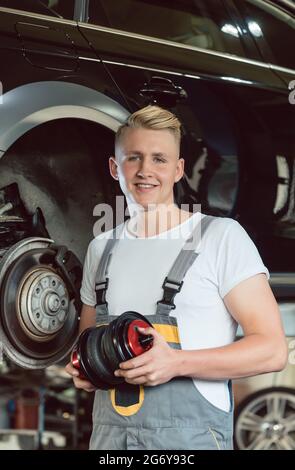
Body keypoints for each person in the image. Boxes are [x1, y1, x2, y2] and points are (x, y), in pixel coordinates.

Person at [66, 105, 287, 450]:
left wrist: (177, 363)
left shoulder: (220, 237)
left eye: (159, 159)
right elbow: (88, 344)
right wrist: (86, 371)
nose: (145, 171)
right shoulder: (101, 248)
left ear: (178, 169)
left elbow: (272, 351)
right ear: (114, 167)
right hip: (110, 443)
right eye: (133, 158)